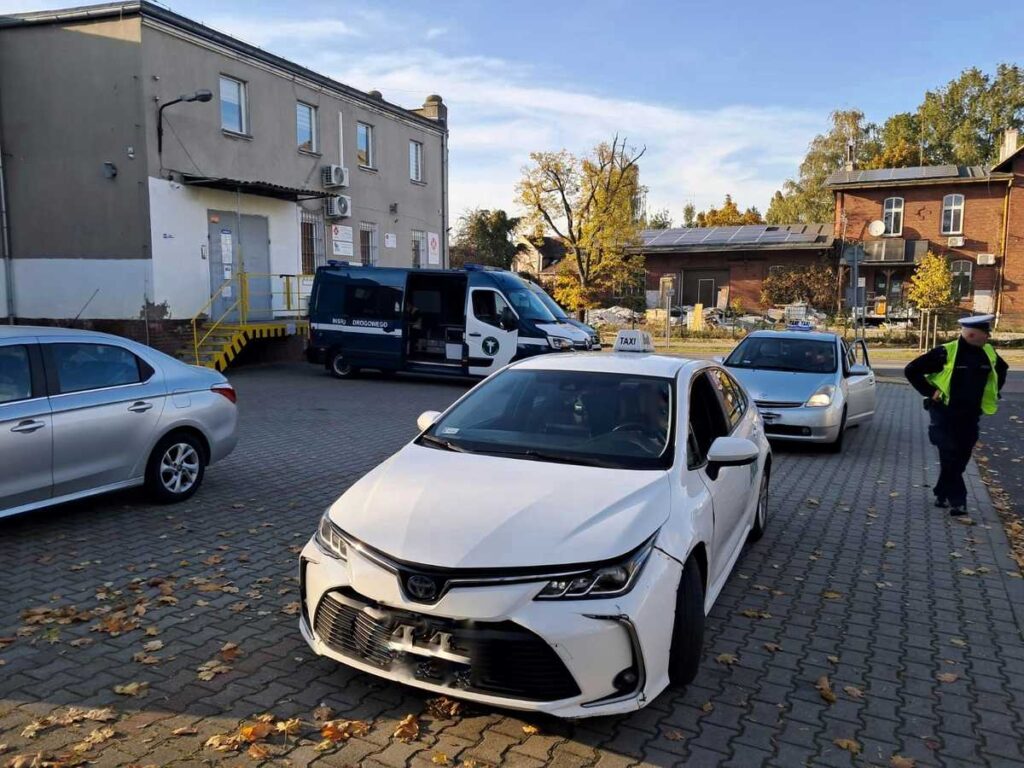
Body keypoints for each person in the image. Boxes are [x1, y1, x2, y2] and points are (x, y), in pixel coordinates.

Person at [905, 314, 1008, 516]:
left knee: (962, 456)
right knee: (950, 453)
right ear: (971, 334)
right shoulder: (946, 352)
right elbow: (912, 370)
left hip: (970, 415)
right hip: (944, 413)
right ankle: (958, 501)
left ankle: (941, 491)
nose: (988, 337)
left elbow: (1002, 370)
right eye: (985, 334)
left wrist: (994, 391)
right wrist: (930, 392)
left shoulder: (988, 352)